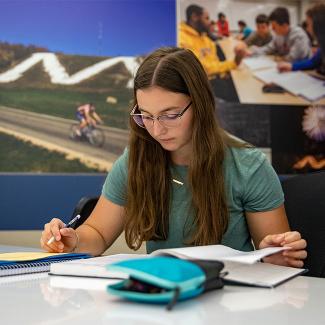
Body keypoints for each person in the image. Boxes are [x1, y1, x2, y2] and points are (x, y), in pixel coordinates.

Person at [40, 47, 307, 269]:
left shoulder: (249, 167)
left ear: (200, 104)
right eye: (145, 115)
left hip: (229, 302)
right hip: (160, 301)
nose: (157, 129)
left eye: (170, 114)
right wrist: (73, 240)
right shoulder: (135, 160)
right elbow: (97, 234)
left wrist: (276, 256)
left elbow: (275, 260)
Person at [178, 4, 244, 77]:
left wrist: (223, 74)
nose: (210, 22)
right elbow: (202, 69)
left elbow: (215, 61)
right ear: (194, 17)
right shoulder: (181, 38)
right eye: (207, 18)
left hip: (215, 78)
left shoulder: (204, 37)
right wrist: (234, 63)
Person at [245, 7, 311, 62]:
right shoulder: (278, 35)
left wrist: (280, 59)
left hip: (303, 71)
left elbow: (294, 58)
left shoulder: (298, 35)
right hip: (285, 68)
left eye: (274, 27)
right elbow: (268, 48)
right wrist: (252, 53)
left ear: (284, 25)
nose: (272, 29)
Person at [277, 3, 325, 74]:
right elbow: (313, 62)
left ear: (318, 25)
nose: (307, 29)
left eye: (308, 24)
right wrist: (292, 66)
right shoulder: (322, 45)